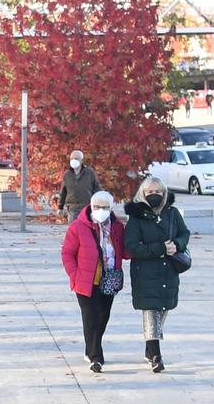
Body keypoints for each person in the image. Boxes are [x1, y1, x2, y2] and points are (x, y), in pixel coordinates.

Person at [122, 176, 190, 375]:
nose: (154, 195)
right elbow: (131, 246)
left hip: (168, 272)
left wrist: (176, 245)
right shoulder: (136, 217)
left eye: (158, 192)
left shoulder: (172, 213)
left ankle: (148, 347)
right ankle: (155, 356)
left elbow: (184, 234)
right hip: (145, 273)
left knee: (163, 310)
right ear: (142, 194)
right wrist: (159, 249)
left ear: (164, 194)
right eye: (150, 192)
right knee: (151, 312)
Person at [60, 190, 127, 373]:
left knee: (103, 317)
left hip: (109, 279)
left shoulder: (117, 227)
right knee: (91, 318)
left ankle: (90, 348)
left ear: (111, 208)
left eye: (105, 207)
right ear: (91, 206)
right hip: (86, 280)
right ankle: (96, 357)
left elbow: (126, 252)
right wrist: (74, 275)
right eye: (97, 206)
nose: (101, 210)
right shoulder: (78, 227)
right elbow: (67, 254)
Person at [57, 149, 98, 218]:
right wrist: (60, 207)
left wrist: (97, 205)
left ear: (81, 161)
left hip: (86, 208)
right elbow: (63, 191)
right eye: (71, 159)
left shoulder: (90, 173)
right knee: (73, 228)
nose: (73, 160)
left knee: (85, 228)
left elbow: (96, 189)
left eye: (76, 159)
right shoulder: (67, 174)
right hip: (72, 209)